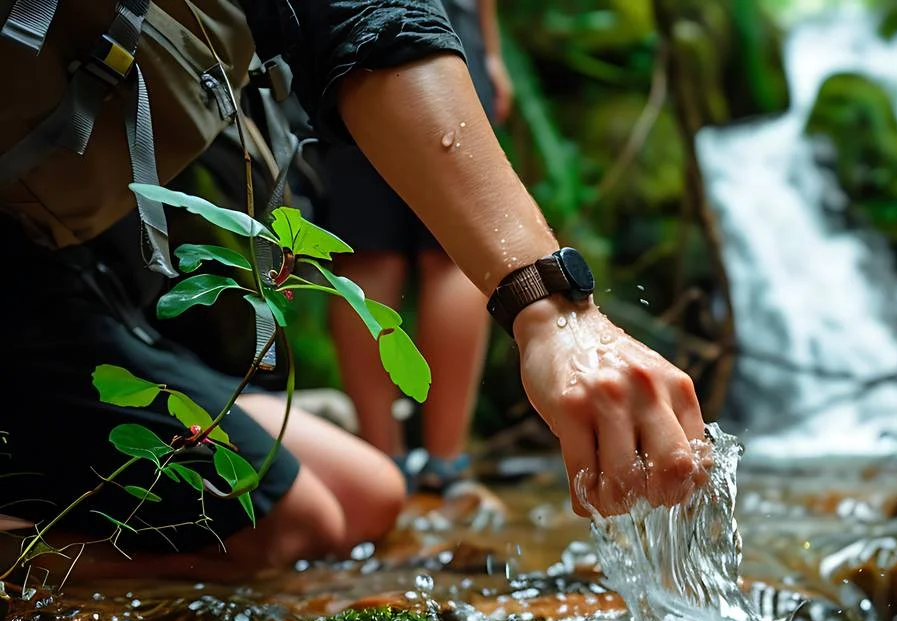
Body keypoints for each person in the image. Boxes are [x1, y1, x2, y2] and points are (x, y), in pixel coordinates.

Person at [0, 0, 707, 585]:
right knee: (295, 525)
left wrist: (551, 312)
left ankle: (406, 455)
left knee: (370, 494)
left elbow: (363, 16)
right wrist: (548, 307)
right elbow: (364, 18)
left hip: (52, 269)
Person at [315, 0, 511, 494]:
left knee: (366, 251)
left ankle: (383, 464)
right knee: (453, 252)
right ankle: (446, 465)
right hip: (446, 26)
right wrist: (489, 50)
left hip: (345, 27)